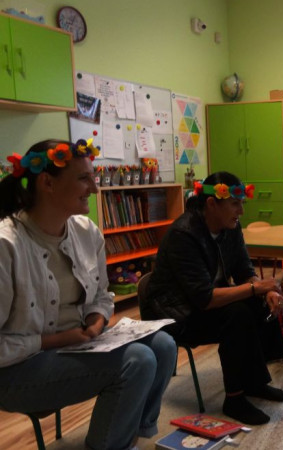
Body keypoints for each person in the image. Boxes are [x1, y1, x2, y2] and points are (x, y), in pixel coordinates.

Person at [0, 139, 177, 449]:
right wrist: (56, 340)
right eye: (84, 178)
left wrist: (96, 319)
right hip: (17, 370)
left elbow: (101, 295)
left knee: (163, 345)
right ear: (47, 183)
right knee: (137, 360)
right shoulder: (6, 245)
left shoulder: (85, 230)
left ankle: (127, 439)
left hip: (76, 346)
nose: (94, 189)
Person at [140, 171, 283, 426]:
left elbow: (244, 270)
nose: (241, 211)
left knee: (259, 302)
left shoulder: (231, 227)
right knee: (237, 314)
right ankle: (234, 398)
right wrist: (257, 287)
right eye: (235, 204)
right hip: (175, 315)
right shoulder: (183, 234)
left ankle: (254, 382)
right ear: (211, 203)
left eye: (242, 203)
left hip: (200, 304)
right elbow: (205, 298)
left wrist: (268, 291)